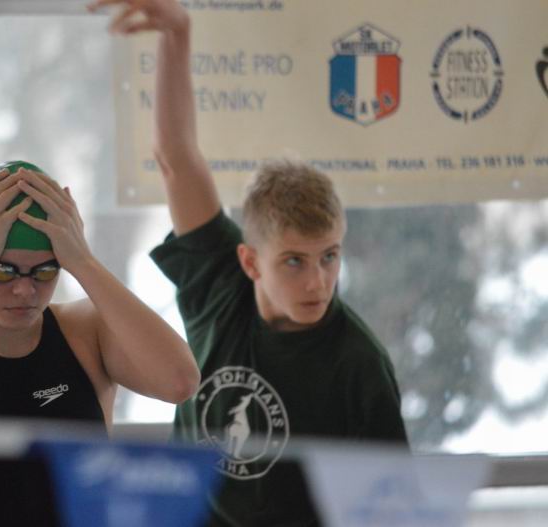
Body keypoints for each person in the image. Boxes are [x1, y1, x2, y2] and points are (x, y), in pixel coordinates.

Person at [91, 1, 409, 525]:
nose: (318, 281)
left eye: (329, 257)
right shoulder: (217, 281)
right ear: (250, 261)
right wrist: (177, 34)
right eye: (294, 262)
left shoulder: (359, 364)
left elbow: (391, 509)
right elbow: (175, 158)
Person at [0, 161, 200, 431]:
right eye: (3, 270)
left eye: (45, 271)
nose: (25, 290)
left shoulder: (87, 332)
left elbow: (179, 382)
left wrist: (84, 262)